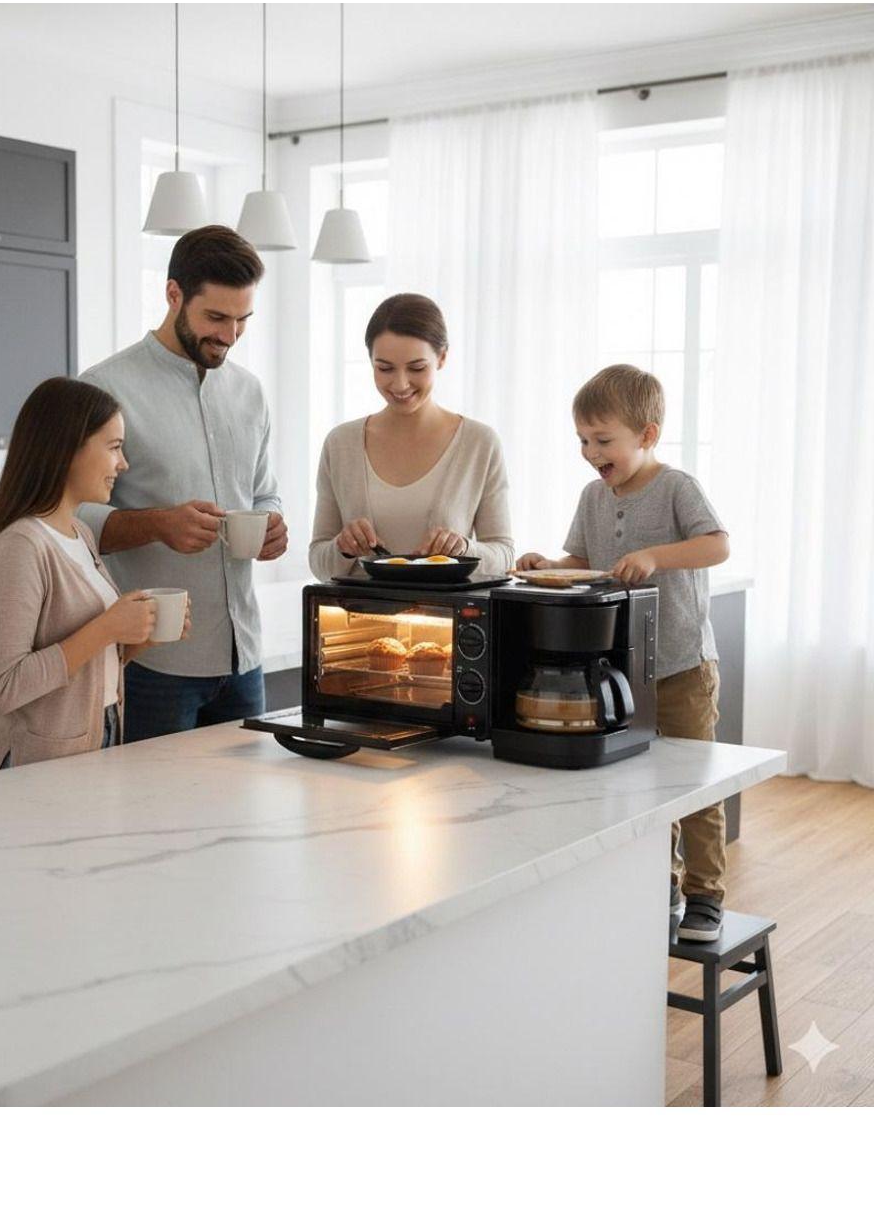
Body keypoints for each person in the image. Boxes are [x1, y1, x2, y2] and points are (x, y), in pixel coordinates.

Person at [516, 364, 731, 941]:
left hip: (683, 666)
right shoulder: (592, 495)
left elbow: (717, 545)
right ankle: (660, 883)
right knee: (643, 783)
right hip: (625, 668)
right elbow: (581, 561)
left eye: (602, 440)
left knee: (693, 783)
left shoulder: (677, 487)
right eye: (583, 440)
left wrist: (656, 556)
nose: (590, 453)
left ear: (647, 435)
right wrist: (548, 565)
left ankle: (705, 894)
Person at [79, 225, 287, 741]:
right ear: (173, 294)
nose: (230, 335)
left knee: (246, 795)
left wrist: (272, 524)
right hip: (153, 662)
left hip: (243, 657)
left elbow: (263, 492)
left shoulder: (250, 392)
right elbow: (70, 519)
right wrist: (157, 524)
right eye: (215, 317)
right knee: (152, 795)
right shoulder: (104, 389)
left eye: (242, 320)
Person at [0, 376, 175, 771]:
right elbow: (4, 686)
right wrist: (107, 628)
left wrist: (135, 640)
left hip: (93, 739)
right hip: (30, 764)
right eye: (114, 447)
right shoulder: (22, 546)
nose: (123, 464)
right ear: (68, 449)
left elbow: (81, 665)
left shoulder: (80, 534)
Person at [309, 293, 514, 579]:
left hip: (442, 609)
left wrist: (464, 548)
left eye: (417, 368)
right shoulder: (340, 444)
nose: (400, 384)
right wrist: (342, 548)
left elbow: (504, 555)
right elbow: (319, 561)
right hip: (358, 608)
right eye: (384, 368)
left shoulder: (480, 443)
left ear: (442, 357)